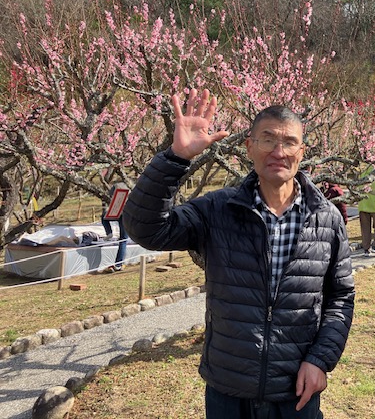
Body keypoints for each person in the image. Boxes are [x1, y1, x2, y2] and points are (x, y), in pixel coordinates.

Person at [123, 88, 355, 419]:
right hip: (228, 389)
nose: (279, 151)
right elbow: (146, 229)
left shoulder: (326, 218)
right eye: (267, 140)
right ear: (249, 147)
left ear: (302, 152)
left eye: (289, 142)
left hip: (296, 390)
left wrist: (321, 359)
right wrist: (175, 158)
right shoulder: (218, 209)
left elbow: (340, 297)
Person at [101, 180, 129, 272]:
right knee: (123, 240)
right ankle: (118, 264)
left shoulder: (115, 187)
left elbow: (110, 198)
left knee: (103, 217)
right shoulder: (129, 189)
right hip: (126, 214)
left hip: (118, 212)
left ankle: (109, 232)